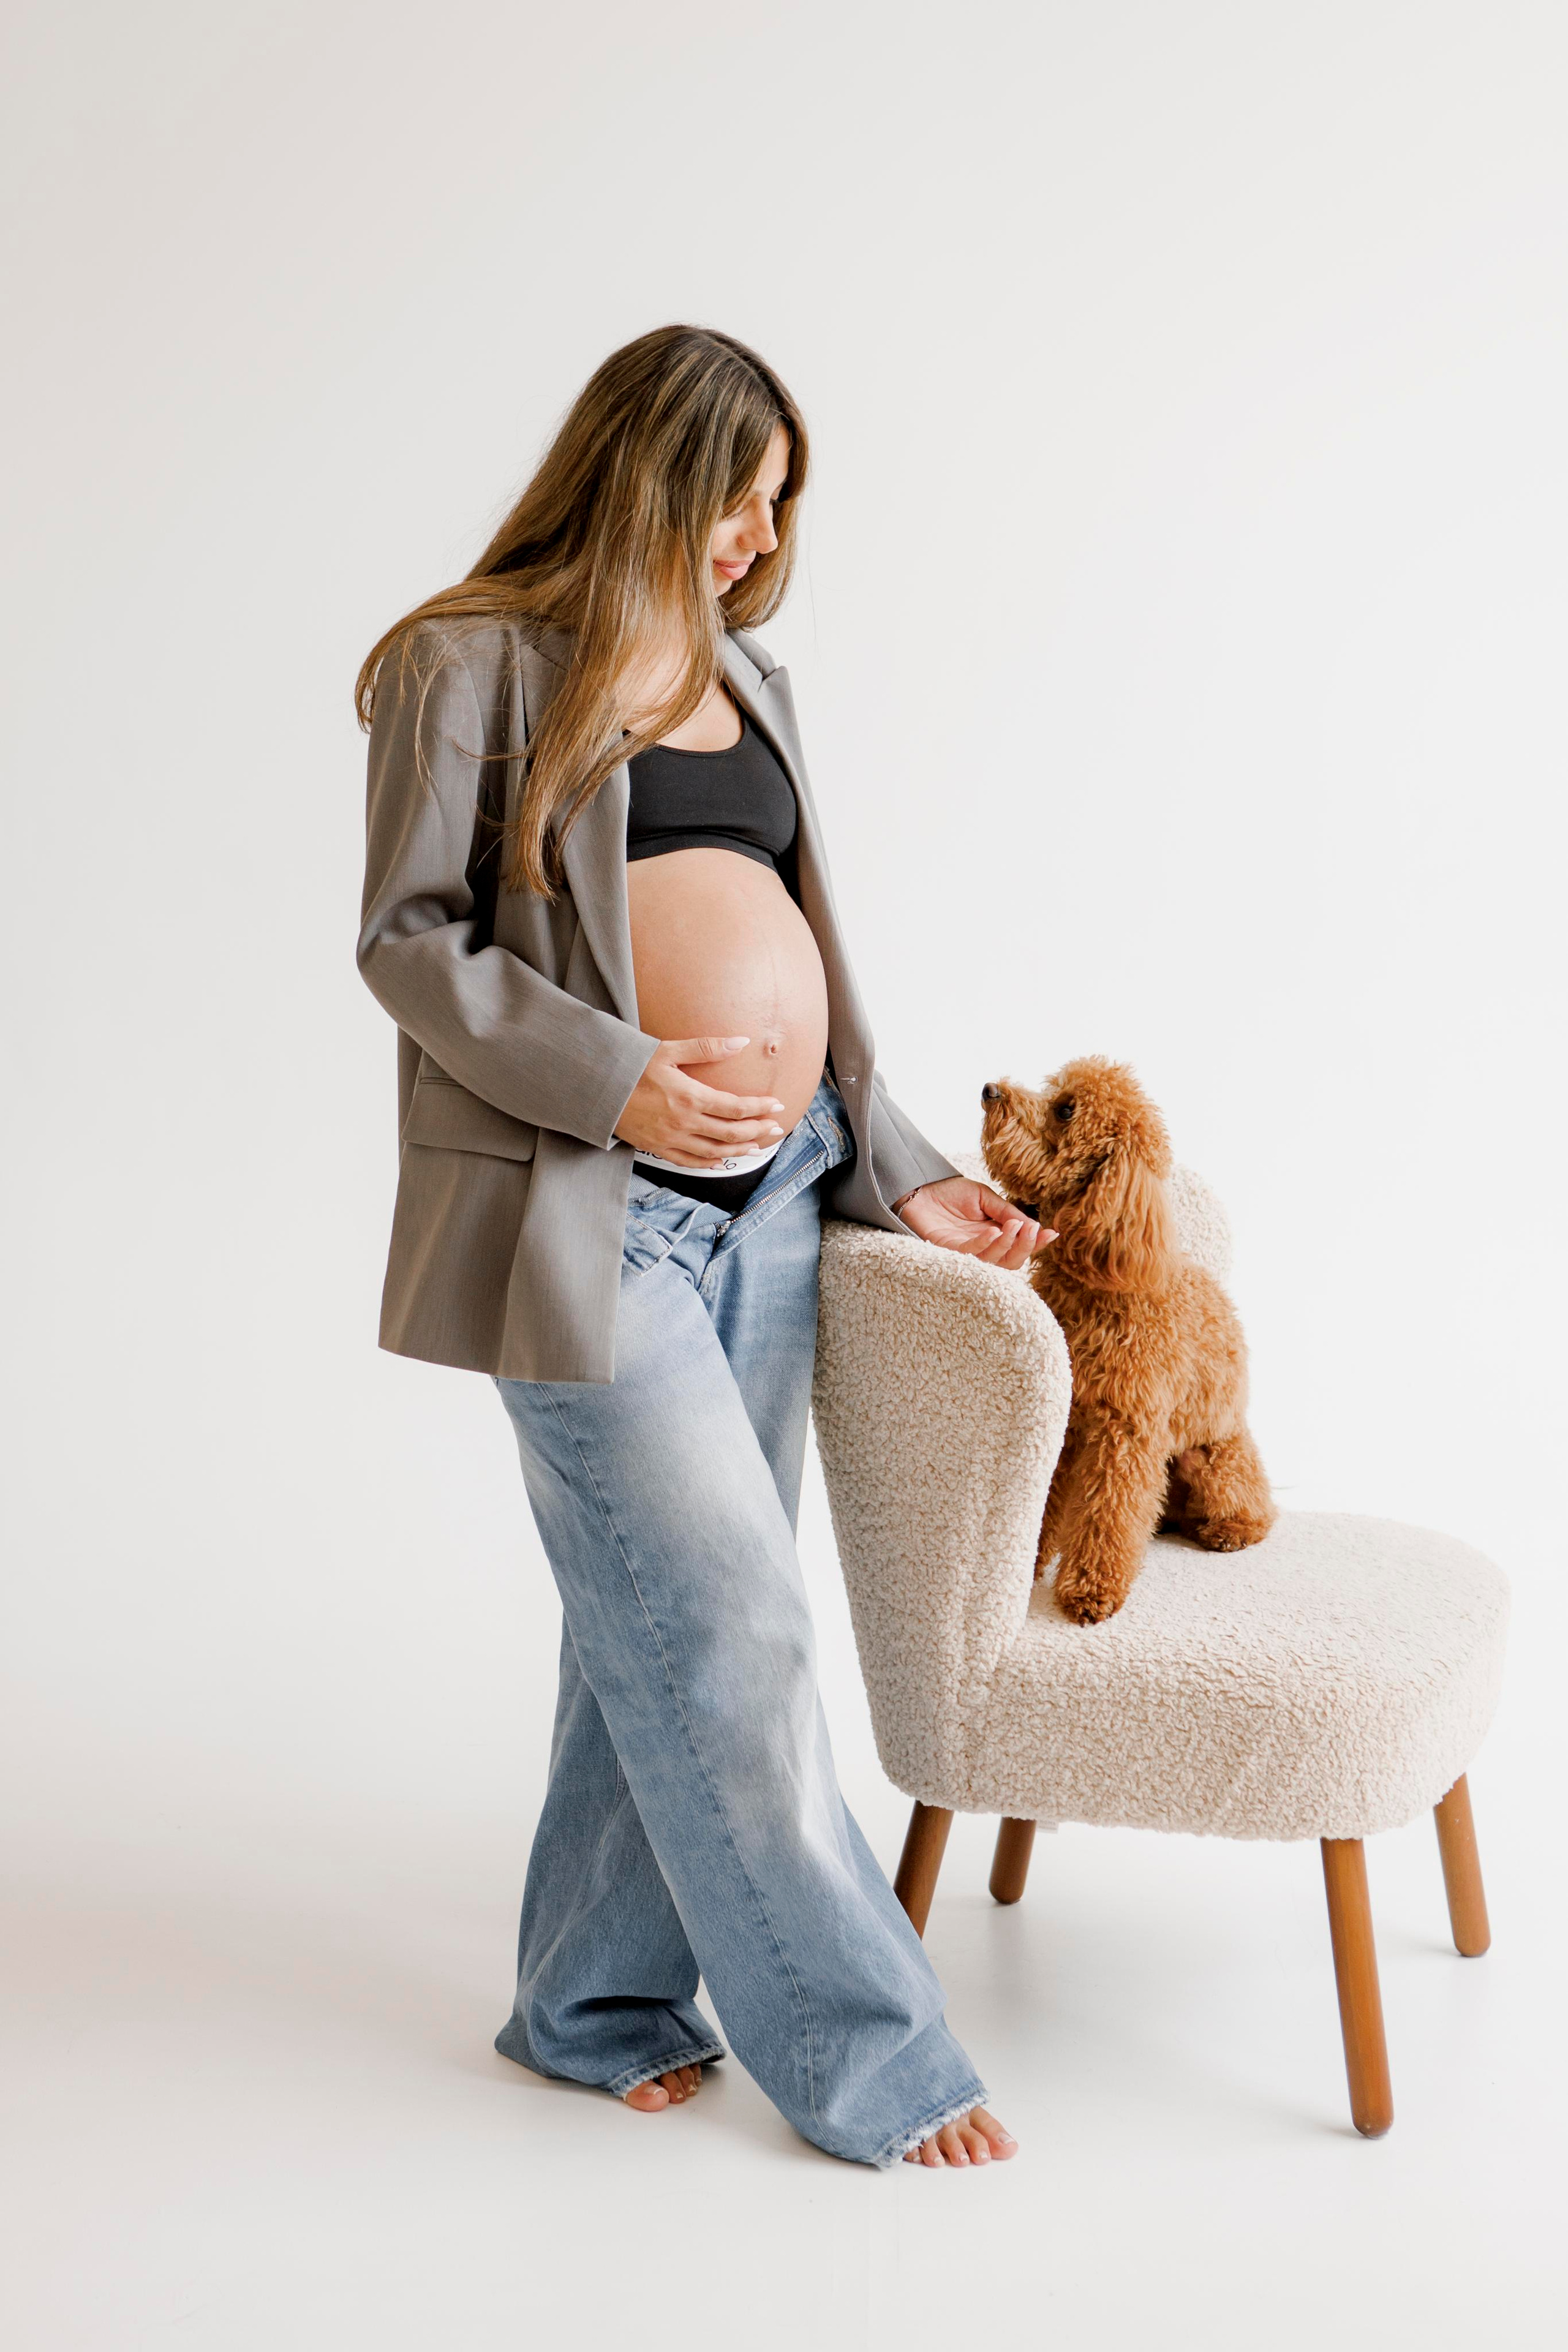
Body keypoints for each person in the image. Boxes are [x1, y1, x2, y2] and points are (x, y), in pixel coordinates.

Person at [355, 325, 1052, 2169]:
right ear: (645, 469)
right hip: (592, 1220)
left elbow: (817, 947)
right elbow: (413, 945)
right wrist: (619, 1086)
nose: (757, 536)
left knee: (647, 1629)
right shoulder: (471, 663)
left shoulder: (757, 680)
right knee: (736, 1624)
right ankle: (876, 2058)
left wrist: (891, 1164)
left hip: (779, 1209)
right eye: (737, 494)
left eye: (778, 505)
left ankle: (587, 2006)